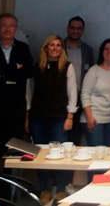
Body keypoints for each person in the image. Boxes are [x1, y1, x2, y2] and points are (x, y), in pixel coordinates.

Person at [26, 35, 78, 204]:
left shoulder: (67, 67)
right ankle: (45, 189)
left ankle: (62, 189)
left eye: (58, 45)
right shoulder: (37, 67)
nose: (55, 48)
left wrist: (70, 115)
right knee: (40, 155)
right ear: (45, 48)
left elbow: (73, 93)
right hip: (38, 117)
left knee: (60, 154)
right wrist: (27, 115)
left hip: (59, 118)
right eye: (51, 45)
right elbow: (29, 91)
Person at [0, 13, 33, 176]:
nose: (8, 29)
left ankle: (10, 189)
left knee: (13, 151)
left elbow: (28, 71)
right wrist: (15, 70)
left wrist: (3, 73)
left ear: (16, 28)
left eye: (11, 25)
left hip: (15, 108)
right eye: (4, 25)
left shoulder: (23, 47)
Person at [80, 39, 110, 147]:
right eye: (106, 49)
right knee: (97, 155)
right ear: (101, 52)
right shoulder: (94, 70)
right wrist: (89, 117)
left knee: (109, 155)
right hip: (94, 118)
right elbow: (85, 94)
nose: (109, 51)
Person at [64, 16, 95, 145]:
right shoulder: (59, 46)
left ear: (83, 30)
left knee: (76, 135)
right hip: (63, 96)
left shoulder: (88, 50)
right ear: (67, 29)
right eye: (72, 28)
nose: (75, 31)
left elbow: (92, 74)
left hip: (81, 97)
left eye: (79, 28)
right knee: (62, 134)